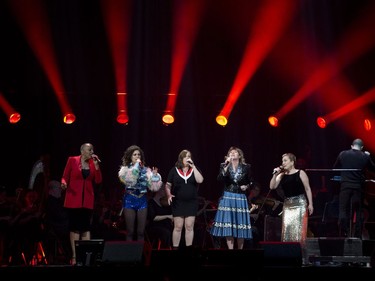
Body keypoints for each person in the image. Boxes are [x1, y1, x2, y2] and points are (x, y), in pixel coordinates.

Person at [61, 142, 103, 265]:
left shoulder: (92, 163)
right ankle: (74, 256)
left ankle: (85, 257)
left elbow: (98, 180)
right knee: (75, 228)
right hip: (73, 199)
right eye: (90, 150)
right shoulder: (72, 160)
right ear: (82, 151)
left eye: (92, 150)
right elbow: (64, 176)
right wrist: (64, 183)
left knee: (85, 228)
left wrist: (96, 167)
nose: (92, 152)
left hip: (87, 201)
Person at [270, 152, 314, 264]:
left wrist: (311, 204)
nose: (283, 163)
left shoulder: (301, 173)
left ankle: (301, 257)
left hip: (300, 204)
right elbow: (272, 186)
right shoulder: (282, 174)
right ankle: (288, 256)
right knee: (287, 230)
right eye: (282, 160)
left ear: (292, 162)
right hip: (288, 205)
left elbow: (308, 188)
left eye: (285, 160)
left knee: (299, 230)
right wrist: (275, 174)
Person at [210, 146, 254, 250]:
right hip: (228, 197)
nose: (232, 154)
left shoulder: (246, 167)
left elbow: (251, 181)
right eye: (231, 152)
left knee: (240, 225)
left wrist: (247, 186)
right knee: (228, 225)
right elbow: (220, 178)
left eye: (235, 152)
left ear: (239, 155)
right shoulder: (224, 165)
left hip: (240, 197)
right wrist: (227, 164)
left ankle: (240, 251)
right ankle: (231, 251)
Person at [118, 145, 163, 242]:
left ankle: (139, 256)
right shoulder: (125, 170)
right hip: (130, 200)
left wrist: (155, 177)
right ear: (130, 156)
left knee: (141, 232)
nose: (137, 156)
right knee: (130, 231)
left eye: (139, 154)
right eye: (135, 155)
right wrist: (136, 167)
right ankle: (129, 255)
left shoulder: (146, 171)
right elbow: (130, 181)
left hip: (142, 200)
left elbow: (153, 187)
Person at [333, 138, 375, 238]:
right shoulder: (364, 155)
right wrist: (368, 156)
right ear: (362, 147)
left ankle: (344, 232)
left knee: (343, 209)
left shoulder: (343, 154)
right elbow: (373, 168)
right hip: (358, 187)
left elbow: (335, 167)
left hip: (345, 186)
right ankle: (357, 235)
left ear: (352, 146)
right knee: (358, 211)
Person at [165, 149, 204, 250]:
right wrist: (168, 194)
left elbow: (200, 180)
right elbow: (168, 185)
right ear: (181, 159)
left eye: (189, 156)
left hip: (191, 202)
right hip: (178, 202)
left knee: (189, 226)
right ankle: (175, 249)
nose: (188, 158)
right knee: (178, 226)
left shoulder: (194, 169)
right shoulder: (174, 170)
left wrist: (194, 167)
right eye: (186, 156)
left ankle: (188, 251)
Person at [146, 185, 173, 249]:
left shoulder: (164, 204)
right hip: (153, 227)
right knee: (166, 233)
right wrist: (168, 216)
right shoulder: (151, 203)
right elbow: (153, 218)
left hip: (164, 226)